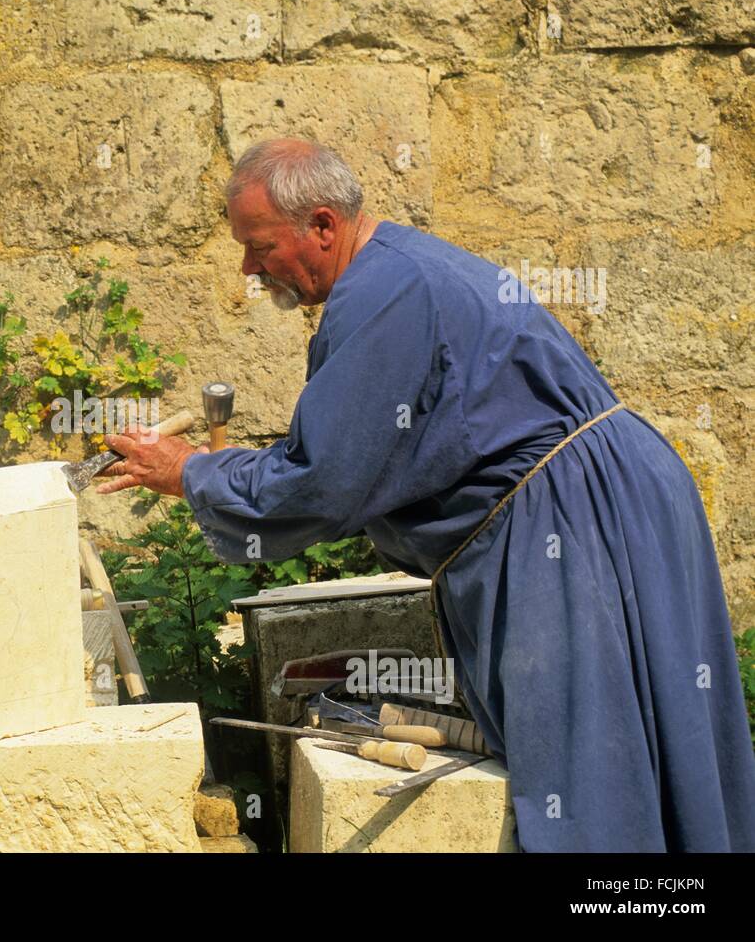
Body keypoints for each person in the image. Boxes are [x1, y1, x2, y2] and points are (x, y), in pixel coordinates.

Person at [97, 136, 755, 852]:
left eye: (258, 247)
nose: (249, 269)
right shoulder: (392, 275)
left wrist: (191, 472)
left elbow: (323, 481)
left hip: (576, 520)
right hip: (611, 498)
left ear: (322, 225)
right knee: (651, 747)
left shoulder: (386, 295)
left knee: (592, 766)